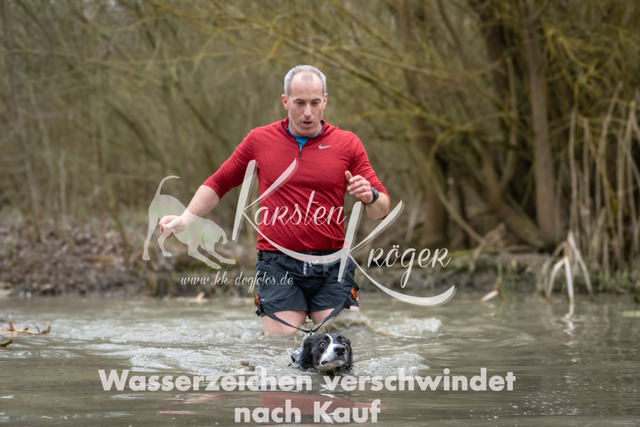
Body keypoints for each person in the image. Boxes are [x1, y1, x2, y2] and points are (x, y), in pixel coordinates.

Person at [159, 65, 390, 334]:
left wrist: (370, 196)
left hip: (331, 265)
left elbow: (382, 209)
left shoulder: (347, 144)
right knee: (282, 344)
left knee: (341, 339)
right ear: (285, 101)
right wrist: (185, 219)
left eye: (315, 103)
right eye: (299, 103)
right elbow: (219, 183)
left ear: (325, 101)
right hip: (277, 264)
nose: (308, 112)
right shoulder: (259, 140)